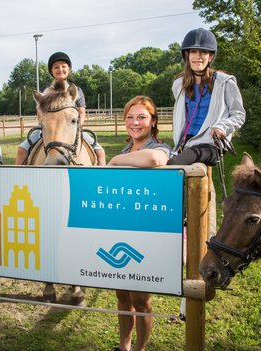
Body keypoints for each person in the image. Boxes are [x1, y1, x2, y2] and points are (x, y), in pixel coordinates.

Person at [108, 96, 171, 351]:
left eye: (142, 117)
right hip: (121, 230)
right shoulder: (125, 152)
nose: (135, 122)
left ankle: (139, 349)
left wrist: (112, 162)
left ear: (153, 120)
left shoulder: (162, 147)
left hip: (147, 234)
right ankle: (124, 347)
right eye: (130, 117)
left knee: (141, 299)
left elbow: (154, 161)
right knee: (122, 295)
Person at [167, 28, 245, 166]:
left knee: (174, 164)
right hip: (186, 143)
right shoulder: (179, 85)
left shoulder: (224, 83)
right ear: (187, 56)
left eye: (204, 52)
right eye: (193, 52)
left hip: (211, 144)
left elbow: (238, 114)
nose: (198, 56)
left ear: (210, 57)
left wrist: (222, 127)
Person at [15, 52, 106, 165]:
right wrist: (46, 126)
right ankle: (19, 178)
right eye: (56, 67)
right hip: (47, 129)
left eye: (63, 66)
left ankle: (101, 178)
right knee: (21, 151)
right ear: (51, 71)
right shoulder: (45, 91)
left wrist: (76, 128)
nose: (60, 69)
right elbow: (40, 114)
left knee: (100, 152)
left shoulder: (76, 90)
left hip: (71, 129)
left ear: (69, 68)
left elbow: (82, 113)